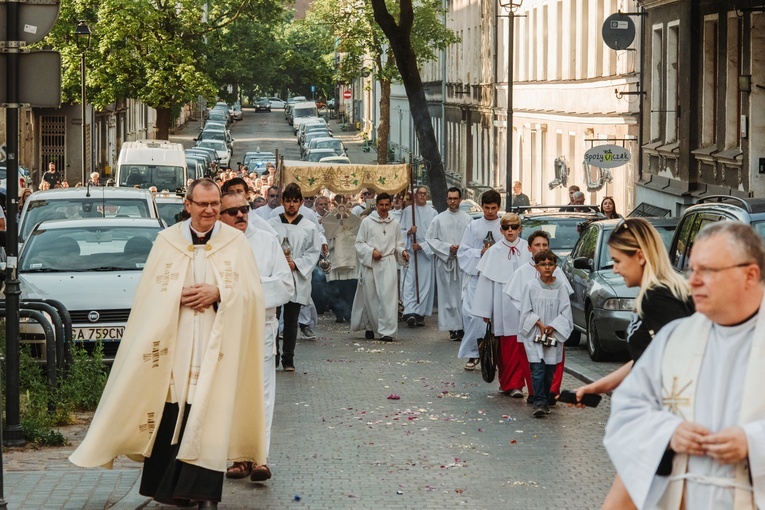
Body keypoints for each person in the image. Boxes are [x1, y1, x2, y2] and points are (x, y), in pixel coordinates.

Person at [69, 179, 266, 510]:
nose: (209, 210)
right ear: (187, 205)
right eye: (202, 204)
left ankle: (205, 495)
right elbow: (149, 296)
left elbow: (253, 296)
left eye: (215, 204)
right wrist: (176, 295)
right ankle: (175, 491)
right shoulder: (167, 242)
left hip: (216, 347)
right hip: (174, 348)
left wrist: (220, 294)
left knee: (209, 415)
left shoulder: (236, 243)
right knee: (175, 414)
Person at [604, 221, 765, 510]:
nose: (693, 281)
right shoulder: (676, 337)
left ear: (750, 275)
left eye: (708, 271)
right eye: (692, 270)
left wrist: (753, 442)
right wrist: (669, 432)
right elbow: (628, 409)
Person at [572, 217, 692, 509]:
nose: (613, 268)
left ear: (639, 256)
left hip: (663, 425)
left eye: (617, 260)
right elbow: (647, 357)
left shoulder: (657, 297)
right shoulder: (661, 293)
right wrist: (600, 385)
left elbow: (681, 357)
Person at [218, 192, 293, 483]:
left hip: (260, 326)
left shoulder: (266, 240)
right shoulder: (215, 245)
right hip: (224, 328)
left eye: (245, 209)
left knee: (262, 394)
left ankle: (260, 458)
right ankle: (238, 458)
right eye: (233, 211)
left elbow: (285, 286)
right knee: (233, 394)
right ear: (221, 215)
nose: (240, 215)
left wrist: (245, 288)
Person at [505, 230, 573, 402]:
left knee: (552, 361)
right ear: (529, 248)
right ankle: (535, 393)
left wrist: (554, 324)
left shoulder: (556, 273)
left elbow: (565, 301)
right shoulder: (522, 273)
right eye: (537, 245)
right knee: (533, 362)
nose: (541, 248)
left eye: (544, 245)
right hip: (532, 326)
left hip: (553, 326)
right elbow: (517, 299)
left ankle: (551, 392)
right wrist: (537, 320)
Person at [471, 213, 530, 395]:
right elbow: (486, 282)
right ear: (501, 230)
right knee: (505, 344)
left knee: (522, 344)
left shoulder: (528, 248)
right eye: (506, 228)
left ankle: (517, 384)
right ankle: (508, 383)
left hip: (524, 303)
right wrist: (485, 310)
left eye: (514, 227)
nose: (510, 231)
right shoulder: (494, 251)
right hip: (501, 302)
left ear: (520, 228)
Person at [267, 183, 321, 371]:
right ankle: (273, 356)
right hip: (276, 277)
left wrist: (296, 264)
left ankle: (288, 359)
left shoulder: (309, 227)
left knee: (291, 320)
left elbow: (313, 252)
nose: (291, 205)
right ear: (282, 202)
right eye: (288, 201)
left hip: (296, 277)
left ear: (300, 203)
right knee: (273, 318)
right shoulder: (272, 225)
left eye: (295, 201)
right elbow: (267, 250)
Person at [518, 250, 573, 418]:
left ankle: (545, 397)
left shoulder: (561, 287)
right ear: (537, 267)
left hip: (553, 334)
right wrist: (540, 324)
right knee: (537, 368)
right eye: (543, 264)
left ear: (555, 266)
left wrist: (553, 326)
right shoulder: (531, 286)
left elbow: (566, 312)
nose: (547, 267)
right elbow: (525, 311)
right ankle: (539, 402)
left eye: (550, 264)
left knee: (549, 369)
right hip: (535, 332)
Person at [350, 192, 409, 341]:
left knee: (388, 299)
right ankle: (370, 327)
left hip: (388, 263)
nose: (384, 207)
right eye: (381, 205)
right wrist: (371, 252)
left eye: (386, 205)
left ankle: (387, 332)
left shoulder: (394, 223)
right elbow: (359, 243)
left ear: (390, 205)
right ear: (376, 205)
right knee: (371, 298)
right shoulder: (367, 222)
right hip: (372, 264)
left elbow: (398, 244)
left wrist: (403, 252)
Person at [457, 189, 503, 370]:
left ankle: (493, 353)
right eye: (486, 208)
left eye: (493, 208)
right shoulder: (474, 226)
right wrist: (479, 252)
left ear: (499, 207)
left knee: (494, 317)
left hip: (497, 279)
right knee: (472, 315)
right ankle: (473, 353)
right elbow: (463, 251)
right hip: (476, 277)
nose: (490, 212)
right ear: (482, 206)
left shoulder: (505, 226)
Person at [425, 187, 472, 340]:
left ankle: (463, 326)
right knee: (448, 298)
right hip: (446, 263)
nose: (452, 201)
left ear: (460, 200)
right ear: (447, 200)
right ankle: (452, 328)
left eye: (455, 198)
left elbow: (473, 241)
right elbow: (430, 239)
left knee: (462, 296)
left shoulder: (468, 219)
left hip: (462, 264)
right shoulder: (438, 219)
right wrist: (447, 248)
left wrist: (461, 248)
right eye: (450, 198)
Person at [400, 186, 438, 327]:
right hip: (410, 253)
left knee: (423, 284)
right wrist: (409, 233)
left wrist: (422, 246)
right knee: (409, 282)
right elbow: (400, 231)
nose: (422, 196)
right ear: (415, 196)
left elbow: (435, 236)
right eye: (420, 193)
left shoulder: (433, 213)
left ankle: (419, 313)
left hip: (425, 254)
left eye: (425, 194)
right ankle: (409, 312)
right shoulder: (407, 211)